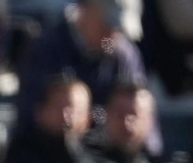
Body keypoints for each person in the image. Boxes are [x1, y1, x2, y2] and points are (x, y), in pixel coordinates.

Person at [15, 0, 150, 143]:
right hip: (49, 152)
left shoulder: (121, 54)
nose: (113, 35)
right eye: (108, 26)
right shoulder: (47, 50)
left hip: (108, 156)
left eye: (119, 30)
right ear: (87, 10)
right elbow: (29, 116)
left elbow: (140, 110)